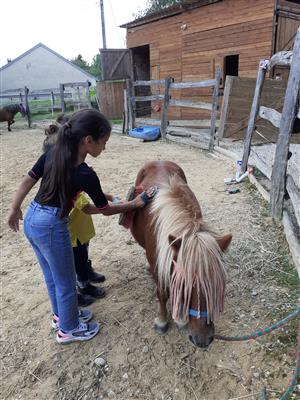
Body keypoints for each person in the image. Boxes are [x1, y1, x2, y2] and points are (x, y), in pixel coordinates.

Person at [7, 109, 154, 344]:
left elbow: (28, 179)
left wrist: (14, 208)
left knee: (53, 278)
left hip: (33, 219)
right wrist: (135, 203)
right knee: (65, 282)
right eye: (104, 142)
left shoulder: (53, 152)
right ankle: (69, 329)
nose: (104, 148)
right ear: (88, 141)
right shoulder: (85, 173)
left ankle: (62, 316)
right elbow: (105, 209)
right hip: (52, 225)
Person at [43, 118, 108, 307]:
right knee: (75, 256)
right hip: (70, 226)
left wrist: (108, 196)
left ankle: (85, 272)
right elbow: (86, 205)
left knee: (83, 250)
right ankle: (83, 284)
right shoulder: (61, 177)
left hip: (80, 224)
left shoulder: (73, 171)